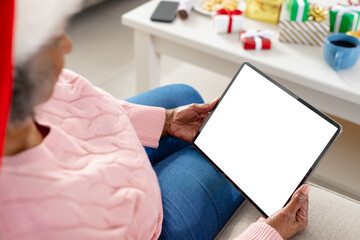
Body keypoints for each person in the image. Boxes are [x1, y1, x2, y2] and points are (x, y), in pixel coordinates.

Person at [0, 0, 310, 239]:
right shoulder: (34, 218)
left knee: (182, 94)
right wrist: (271, 231)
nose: (67, 45)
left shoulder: (21, 105)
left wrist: (166, 121)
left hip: (97, 161)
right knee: (223, 155)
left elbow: (74, 105)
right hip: (146, 226)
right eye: (54, 40)